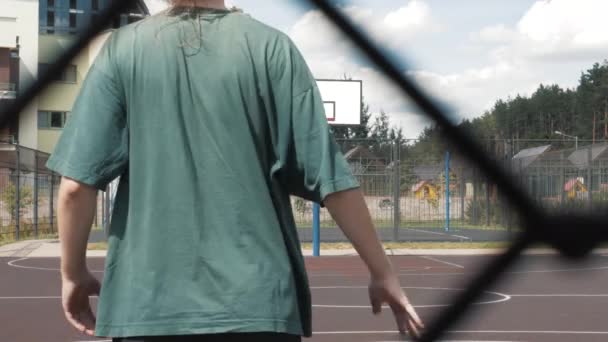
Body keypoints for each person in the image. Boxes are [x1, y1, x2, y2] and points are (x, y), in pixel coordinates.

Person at [48, 0, 424, 341]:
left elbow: (75, 187)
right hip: (258, 307)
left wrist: (73, 273)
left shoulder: (120, 50)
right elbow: (331, 178)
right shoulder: (271, 48)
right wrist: (381, 271)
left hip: (147, 306)